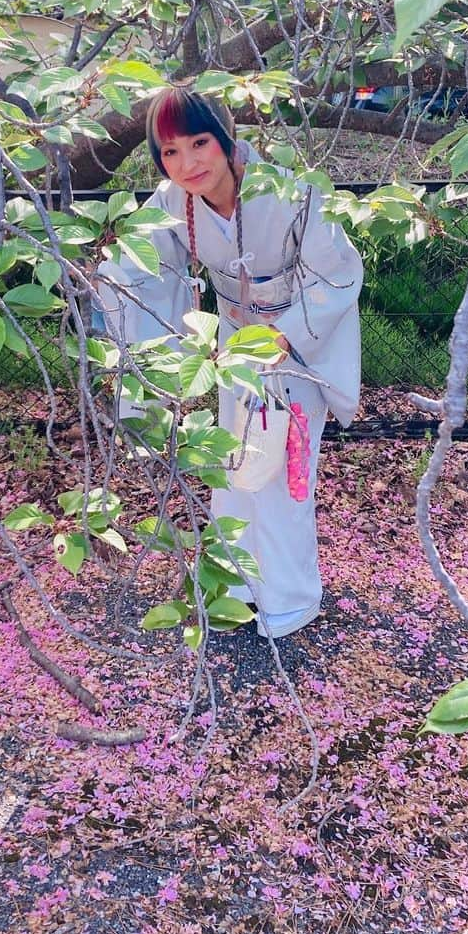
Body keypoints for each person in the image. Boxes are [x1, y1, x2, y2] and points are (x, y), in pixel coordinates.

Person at [97, 88, 364, 639]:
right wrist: (109, 300)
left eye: (200, 143)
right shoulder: (175, 202)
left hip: (296, 349)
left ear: (226, 139)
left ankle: (290, 596)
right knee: (232, 467)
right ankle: (234, 585)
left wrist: (282, 337)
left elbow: (339, 275)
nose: (188, 164)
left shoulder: (292, 193)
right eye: (170, 152)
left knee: (283, 474)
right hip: (232, 351)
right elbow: (138, 267)